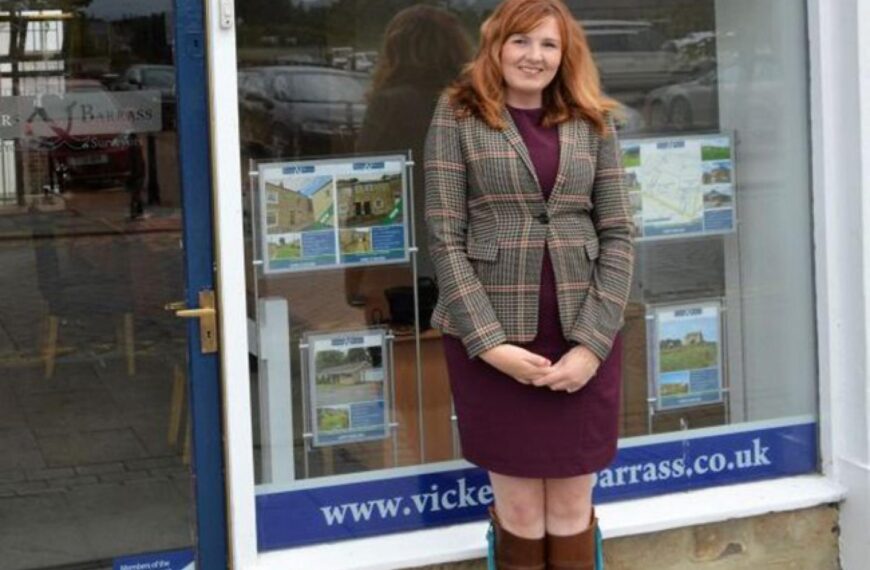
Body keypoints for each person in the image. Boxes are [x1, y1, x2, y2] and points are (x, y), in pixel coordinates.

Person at [423, 1, 634, 568]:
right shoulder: (457, 114)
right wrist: (490, 346)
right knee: (518, 512)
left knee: (571, 508)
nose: (533, 56)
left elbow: (618, 235)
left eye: (548, 45)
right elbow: (445, 238)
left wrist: (592, 345)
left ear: (566, 55)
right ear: (495, 45)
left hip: (581, 340)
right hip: (493, 343)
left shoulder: (593, 120)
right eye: (520, 41)